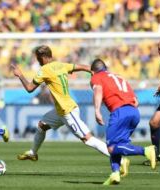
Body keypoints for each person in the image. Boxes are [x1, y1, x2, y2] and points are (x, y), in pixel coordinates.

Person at [11, 45, 131, 173]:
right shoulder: (61, 65)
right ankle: (33, 153)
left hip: (67, 111)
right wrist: (92, 71)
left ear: (43, 57)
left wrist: (20, 75)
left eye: (38, 59)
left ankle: (122, 161)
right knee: (42, 125)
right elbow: (82, 67)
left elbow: (30, 88)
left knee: (88, 139)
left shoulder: (44, 70)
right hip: (61, 110)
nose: (38, 61)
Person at [90, 58, 156, 185]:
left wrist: (97, 110)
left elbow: (98, 90)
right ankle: (115, 174)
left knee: (111, 147)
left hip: (120, 112)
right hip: (133, 111)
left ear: (93, 72)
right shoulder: (118, 77)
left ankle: (146, 151)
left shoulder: (96, 77)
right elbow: (136, 101)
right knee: (119, 145)